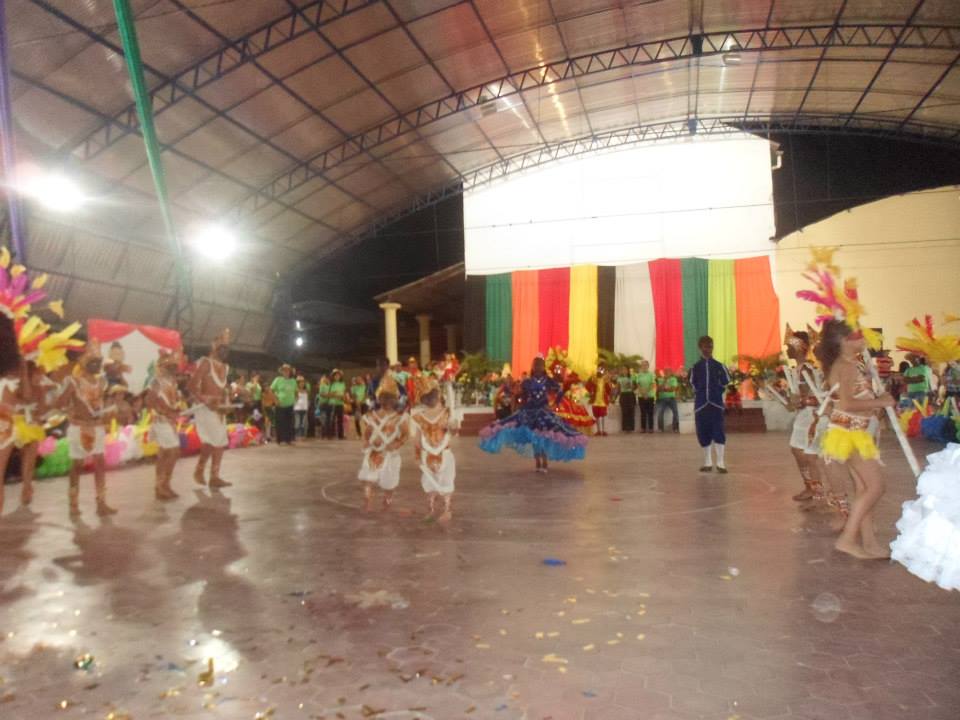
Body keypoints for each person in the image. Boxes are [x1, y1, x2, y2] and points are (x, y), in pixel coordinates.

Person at [817, 319, 895, 559]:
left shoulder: (850, 364)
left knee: (863, 488)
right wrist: (881, 402)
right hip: (849, 432)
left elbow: (855, 399)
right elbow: (847, 404)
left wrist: (875, 399)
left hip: (855, 430)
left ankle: (870, 543)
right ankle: (848, 539)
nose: (864, 340)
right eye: (858, 336)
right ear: (844, 341)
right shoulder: (846, 366)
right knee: (876, 487)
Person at [479, 355, 587, 473]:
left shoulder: (548, 381)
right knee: (534, 437)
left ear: (543, 367)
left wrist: (555, 404)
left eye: (539, 365)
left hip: (543, 412)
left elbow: (560, 391)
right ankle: (538, 462)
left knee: (543, 436)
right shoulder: (527, 382)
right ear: (533, 367)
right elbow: (521, 395)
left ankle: (544, 461)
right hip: (529, 412)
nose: (537, 368)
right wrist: (518, 403)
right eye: (535, 365)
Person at [57, 345, 117, 516]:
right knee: (77, 465)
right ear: (83, 363)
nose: (97, 364)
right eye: (93, 361)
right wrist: (70, 409)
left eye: (98, 361)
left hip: (97, 427)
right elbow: (60, 403)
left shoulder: (101, 382)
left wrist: (107, 412)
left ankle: (101, 503)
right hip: (79, 428)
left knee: (100, 464)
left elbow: (100, 403)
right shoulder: (73, 382)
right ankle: (73, 503)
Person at [188, 329, 233, 487]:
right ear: (215, 347)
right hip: (205, 408)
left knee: (212, 441)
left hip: (219, 409)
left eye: (227, 348)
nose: (225, 351)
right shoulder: (206, 363)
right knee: (218, 441)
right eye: (222, 347)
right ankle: (213, 476)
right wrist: (206, 401)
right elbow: (191, 386)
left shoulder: (225, 367)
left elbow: (223, 389)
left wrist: (228, 400)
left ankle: (201, 471)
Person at [410, 375, 457, 523]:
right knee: (430, 485)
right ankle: (431, 510)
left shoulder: (447, 413)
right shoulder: (419, 417)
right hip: (427, 456)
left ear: (438, 395)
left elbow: (454, 431)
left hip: (444, 455)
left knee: (446, 483)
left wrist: (453, 427)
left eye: (431, 396)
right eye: (426, 397)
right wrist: (417, 456)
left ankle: (447, 510)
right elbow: (417, 439)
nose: (429, 399)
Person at [785, 331, 825, 505]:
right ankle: (811, 487)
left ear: (798, 348)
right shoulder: (800, 369)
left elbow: (814, 396)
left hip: (810, 415)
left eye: (789, 346)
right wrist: (792, 401)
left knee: (806, 453)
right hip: (805, 414)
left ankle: (814, 488)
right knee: (799, 450)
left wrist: (798, 401)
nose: (787, 350)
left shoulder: (806, 369)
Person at [358, 374, 408, 511]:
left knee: (389, 482)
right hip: (374, 452)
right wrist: (366, 441)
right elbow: (367, 432)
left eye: (390, 398)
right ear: (379, 399)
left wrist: (397, 444)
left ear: (396, 399)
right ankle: (367, 501)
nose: (387, 401)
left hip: (390, 454)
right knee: (367, 478)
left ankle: (387, 498)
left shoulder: (400, 417)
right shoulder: (372, 416)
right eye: (384, 397)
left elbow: (405, 434)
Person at [146, 348, 183, 500]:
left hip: (169, 421)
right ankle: (161, 485)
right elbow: (150, 401)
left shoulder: (173, 382)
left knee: (167, 453)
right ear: (162, 367)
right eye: (170, 366)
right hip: (161, 420)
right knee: (172, 451)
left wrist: (176, 409)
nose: (174, 369)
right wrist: (166, 411)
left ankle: (163, 485)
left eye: (175, 366)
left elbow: (172, 401)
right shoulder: (156, 381)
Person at [689, 336, 730, 473]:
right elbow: (692, 383)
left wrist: (717, 390)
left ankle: (721, 462)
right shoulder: (696, 367)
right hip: (701, 405)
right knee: (703, 431)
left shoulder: (719, 366)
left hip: (716, 404)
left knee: (718, 430)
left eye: (710, 346)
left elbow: (726, 381)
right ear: (700, 348)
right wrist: (700, 392)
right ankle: (707, 462)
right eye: (705, 347)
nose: (708, 349)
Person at [270, 364, 297, 445]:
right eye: (284, 370)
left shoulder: (293, 381)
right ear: (282, 372)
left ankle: (288, 439)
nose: (286, 372)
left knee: (289, 423)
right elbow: (271, 390)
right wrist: (275, 400)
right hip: (280, 405)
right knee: (280, 422)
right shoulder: (278, 380)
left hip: (290, 405)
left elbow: (296, 391)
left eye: (287, 370)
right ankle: (280, 440)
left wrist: (295, 400)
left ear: (290, 371)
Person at [586, 364, 612, 436]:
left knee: (603, 416)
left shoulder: (605, 379)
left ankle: (603, 430)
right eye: (599, 369)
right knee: (596, 416)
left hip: (603, 401)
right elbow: (588, 386)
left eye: (602, 369)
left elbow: (609, 389)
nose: (600, 371)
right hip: (595, 401)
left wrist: (608, 382)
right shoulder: (594, 379)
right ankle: (598, 430)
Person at [633, 360, 656, 434]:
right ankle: (643, 428)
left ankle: (651, 428)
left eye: (645, 365)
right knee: (643, 412)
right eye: (643, 365)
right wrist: (643, 393)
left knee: (650, 412)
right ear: (641, 366)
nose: (644, 366)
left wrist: (646, 393)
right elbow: (638, 384)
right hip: (641, 396)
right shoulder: (639, 375)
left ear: (648, 366)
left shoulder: (651, 374)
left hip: (650, 396)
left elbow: (652, 384)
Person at [656, 368, 679, 433]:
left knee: (675, 412)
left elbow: (673, 388)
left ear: (671, 373)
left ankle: (675, 428)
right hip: (662, 399)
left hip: (672, 398)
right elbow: (659, 389)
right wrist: (664, 381)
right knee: (660, 412)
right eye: (665, 371)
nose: (667, 373)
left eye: (668, 372)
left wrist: (665, 389)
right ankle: (660, 428)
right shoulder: (660, 379)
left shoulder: (673, 379)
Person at [616, 365, 636, 432]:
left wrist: (631, 386)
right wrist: (614, 397)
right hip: (623, 395)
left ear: (628, 370)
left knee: (631, 411)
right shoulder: (619, 378)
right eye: (623, 369)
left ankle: (631, 427)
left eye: (625, 369)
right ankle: (625, 427)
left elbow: (634, 387)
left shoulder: (632, 377)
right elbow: (618, 388)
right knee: (624, 411)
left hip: (630, 395)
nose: (624, 371)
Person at [328, 369, 347, 440]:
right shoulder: (330, 384)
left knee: (340, 420)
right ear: (333, 376)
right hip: (332, 403)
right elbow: (328, 394)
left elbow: (344, 393)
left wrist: (343, 397)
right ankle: (331, 435)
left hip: (340, 403)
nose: (337, 376)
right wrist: (335, 395)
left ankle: (340, 435)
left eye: (338, 375)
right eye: (335, 375)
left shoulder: (343, 384)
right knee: (332, 419)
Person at [315, 373, 331, 438]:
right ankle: (323, 434)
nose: (325, 379)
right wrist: (329, 395)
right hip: (322, 404)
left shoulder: (330, 386)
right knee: (323, 419)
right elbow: (321, 394)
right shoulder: (322, 385)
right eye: (324, 378)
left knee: (328, 419)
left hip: (329, 403)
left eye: (326, 378)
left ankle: (327, 434)